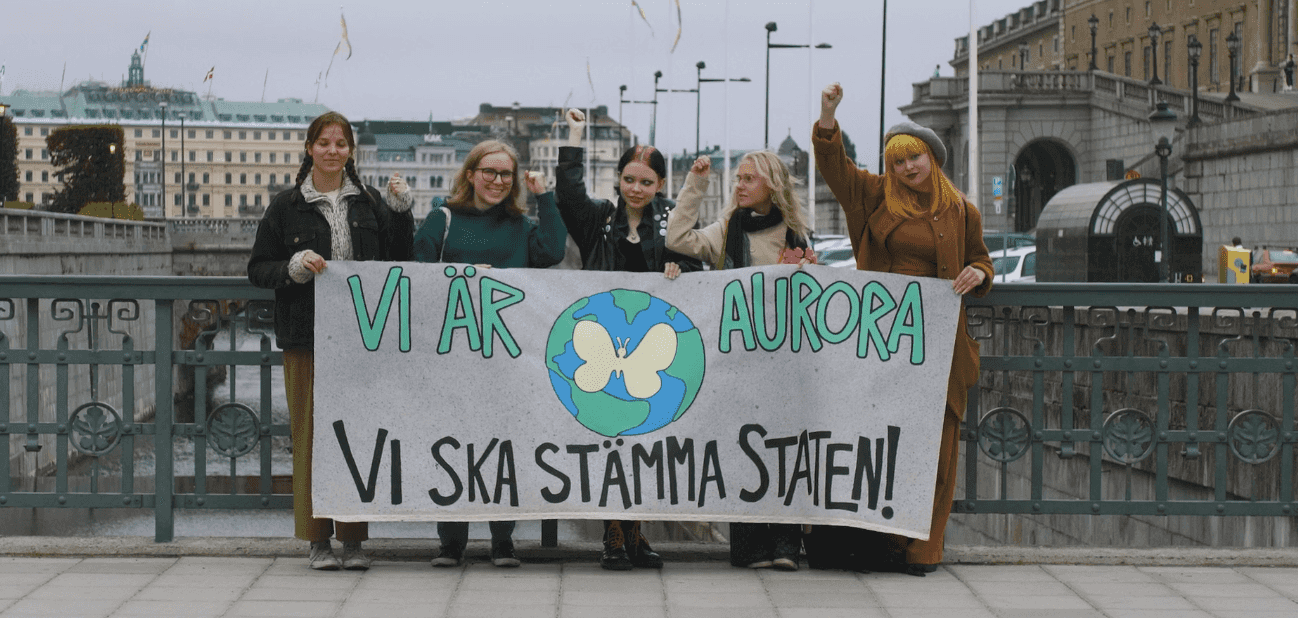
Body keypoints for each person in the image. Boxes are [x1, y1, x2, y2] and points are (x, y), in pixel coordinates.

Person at [809, 82, 992, 576]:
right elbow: (834, 166)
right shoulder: (872, 197)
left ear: (933, 158)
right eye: (897, 161)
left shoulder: (962, 212)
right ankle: (885, 541)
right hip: (882, 346)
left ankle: (923, 548)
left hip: (941, 346)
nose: (907, 168)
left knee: (939, 445)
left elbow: (978, 260)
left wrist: (981, 274)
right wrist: (828, 115)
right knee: (885, 439)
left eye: (914, 158)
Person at [248, 111, 414, 571]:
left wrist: (401, 212)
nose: (333, 151)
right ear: (310, 148)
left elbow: (400, 259)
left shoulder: (370, 202)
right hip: (305, 337)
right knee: (310, 437)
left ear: (350, 151)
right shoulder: (285, 207)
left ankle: (355, 540)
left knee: (357, 438)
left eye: (341, 144)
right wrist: (293, 267)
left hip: (361, 340)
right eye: (324, 143)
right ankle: (318, 539)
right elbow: (259, 268)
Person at [555, 109, 702, 570]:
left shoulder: (669, 226)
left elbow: (699, 271)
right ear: (618, 178)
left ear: (660, 185)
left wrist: (680, 269)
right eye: (629, 179)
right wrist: (576, 136)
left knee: (646, 444)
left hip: (649, 354)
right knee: (609, 442)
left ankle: (634, 535)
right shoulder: (597, 219)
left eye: (646, 182)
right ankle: (613, 537)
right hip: (604, 348)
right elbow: (567, 193)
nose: (636, 189)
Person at [413, 139, 568, 568]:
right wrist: (461, 275)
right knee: (453, 445)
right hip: (453, 354)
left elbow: (552, 252)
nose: (498, 181)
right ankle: (451, 542)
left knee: (505, 446)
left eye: (506, 175)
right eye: (490, 172)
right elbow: (416, 274)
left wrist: (545, 198)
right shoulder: (441, 219)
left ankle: (503, 539)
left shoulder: (520, 226)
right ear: (470, 174)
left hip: (507, 356)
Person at [666, 149, 813, 571]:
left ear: (772, 185)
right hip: (736, 364)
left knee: (783, 450)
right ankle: (750, 547)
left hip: (785, 364)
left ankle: (785, 545)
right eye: (739, 178)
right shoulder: (727, 228)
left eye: (750, 178)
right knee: (741, 448)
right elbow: (677, 240)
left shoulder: (796, 236)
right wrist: (695, 184)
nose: (740, 185)